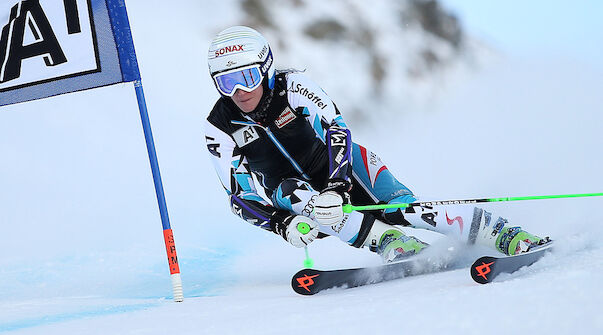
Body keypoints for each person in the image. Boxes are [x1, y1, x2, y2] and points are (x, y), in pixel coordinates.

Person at [204, 26, 548, 263]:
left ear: (265, 70)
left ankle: (502, 233)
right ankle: (389, 242)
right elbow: (239, 197)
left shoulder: (293, 86)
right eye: (227, 82)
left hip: (342, 165)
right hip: (297, 195)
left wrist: (338, 186)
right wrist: (281, 224)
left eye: (247, 78)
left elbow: (337, 131)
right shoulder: (219, 127)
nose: (239, 92)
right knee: (299, 193)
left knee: (405, 210)